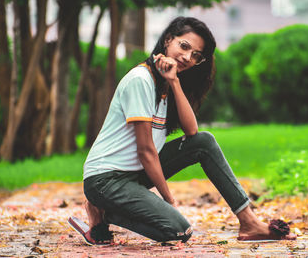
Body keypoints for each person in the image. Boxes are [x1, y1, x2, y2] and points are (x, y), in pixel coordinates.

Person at [68, 16, 296, 245]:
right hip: (106, 179)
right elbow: (146, 151)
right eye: (184, 46)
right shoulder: (141, 80)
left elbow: (192, 131)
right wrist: (169, 199)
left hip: (133, 175)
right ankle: (102, 211)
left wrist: (175, 82)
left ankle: (249, 222)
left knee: (204, 143)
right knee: (179, 231)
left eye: (196, 55)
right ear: (168, 40)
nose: (187, 57)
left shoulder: (165, 83)